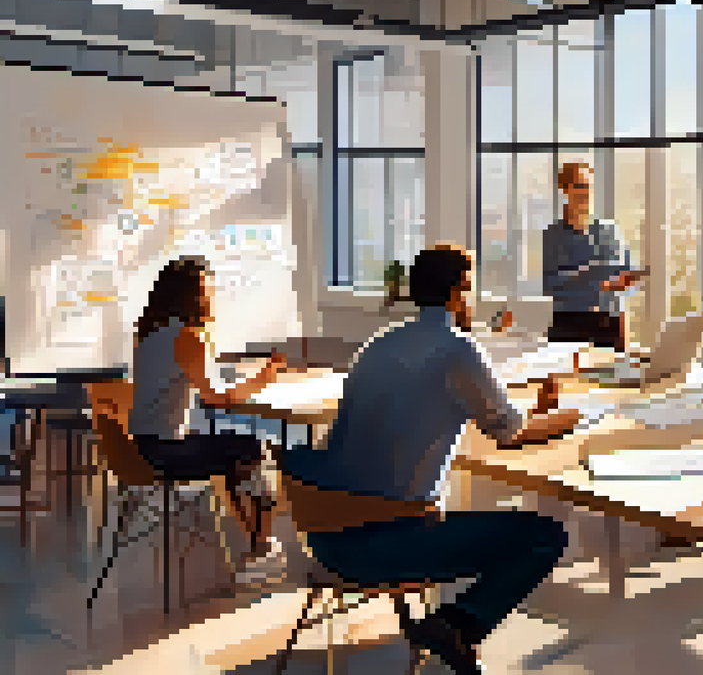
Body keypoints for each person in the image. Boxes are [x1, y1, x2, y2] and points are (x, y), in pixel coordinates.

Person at [281, 244, 581, 675]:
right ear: (460, 291)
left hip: (326, 534)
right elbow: (510, 436)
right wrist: (570, 418)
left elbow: (488, 419)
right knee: (544, 537)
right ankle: (454, 625)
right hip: (385, 542)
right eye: (471, 289)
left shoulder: (378, 343)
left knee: (460, 511)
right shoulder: (456, 348)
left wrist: (533, 416)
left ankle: (449, 627)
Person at [130, 255, 288, 578]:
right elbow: (215, 398)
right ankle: (262, 546)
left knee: (236, 450)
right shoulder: (187, 336)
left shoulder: (150, 333)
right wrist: (261, 379)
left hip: (143, 446)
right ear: (187, 298)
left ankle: (258, 542)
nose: (211, 297)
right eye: (205, 290)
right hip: (166, 450)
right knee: (255, 448)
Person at [543, 162, 645, 352]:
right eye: (579, 186)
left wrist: (625, 288)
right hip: (569, 325)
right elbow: (547, 285)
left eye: (589, 186)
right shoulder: (552, 235)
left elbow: (629, 281)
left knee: (610, 380)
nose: (585, 192)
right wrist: (587, 278)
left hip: (609, 325)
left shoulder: (611, 231)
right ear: (564, 190)